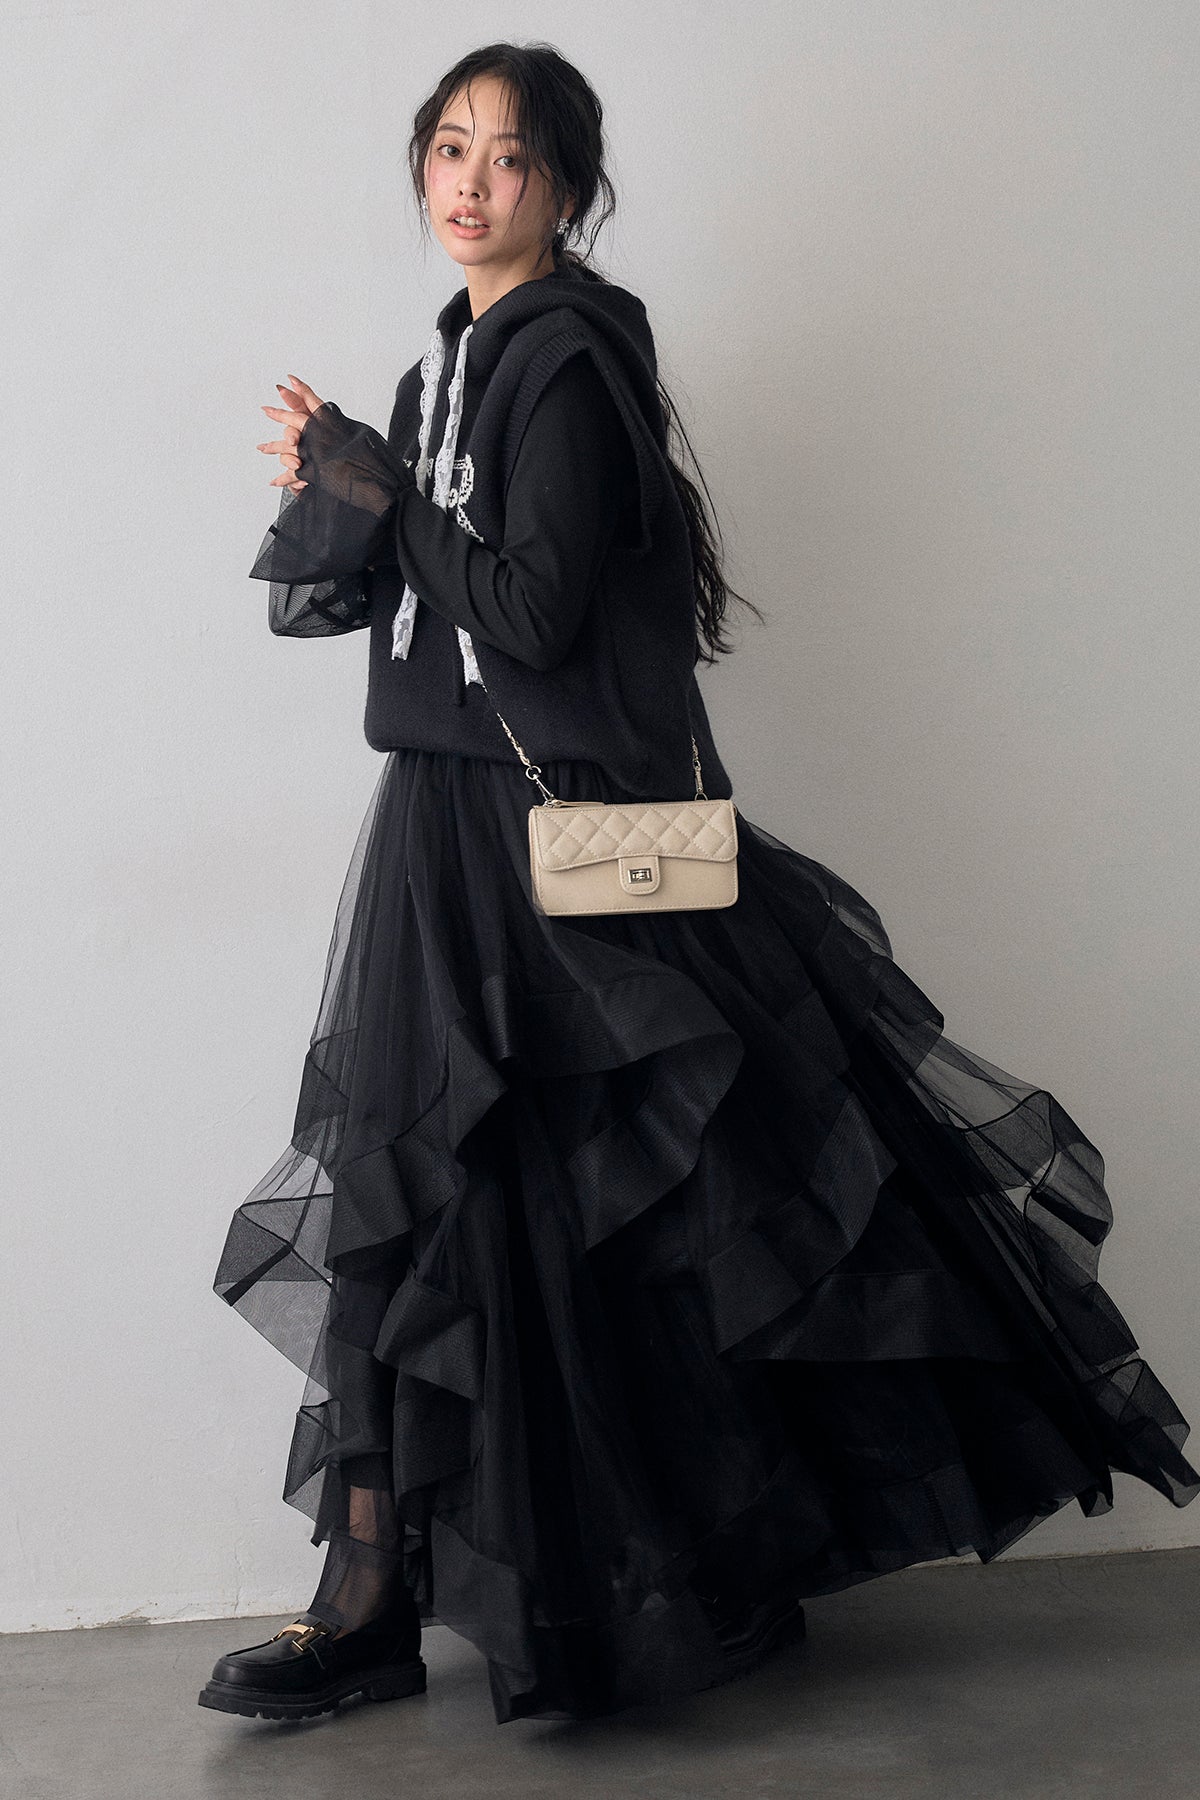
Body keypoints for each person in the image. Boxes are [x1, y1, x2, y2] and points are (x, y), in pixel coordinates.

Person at [199, 42, 1199, 1729]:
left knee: (574, 1212)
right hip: (446, 830)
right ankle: (377, 1600)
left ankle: (592, 1590)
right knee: (434, 1204)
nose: (472, 184)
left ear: (567, 190)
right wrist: (349, 488)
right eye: (449, 149)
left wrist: (375, 487)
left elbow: (531, 611)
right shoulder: (452, 362)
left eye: (511, 158)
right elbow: (404, 602)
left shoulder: (566, 358)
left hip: (538, 849)